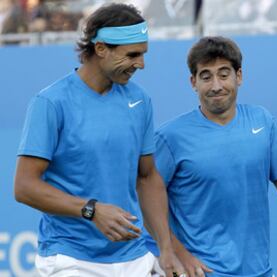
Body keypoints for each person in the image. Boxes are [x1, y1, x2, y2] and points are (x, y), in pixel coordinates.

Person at [145, 36, 277, 277]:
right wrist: (178, 253)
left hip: (259, 270)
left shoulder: (262, 121)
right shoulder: (170, 138)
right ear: (193, 82)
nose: (216, 85)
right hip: (202, 272)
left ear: (239, 76)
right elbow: (146, 201)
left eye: (224, 74)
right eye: (206, 76)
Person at [14, 3, 185, 277]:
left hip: (133, 256)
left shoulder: (140, 100)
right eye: (133, 55)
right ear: (101, 49)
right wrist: (91, 210)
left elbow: (147, 177)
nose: (141, 64)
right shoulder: (50, 103)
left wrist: (166, 247)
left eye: (142, 54)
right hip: (70, 259)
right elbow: (24, 187)